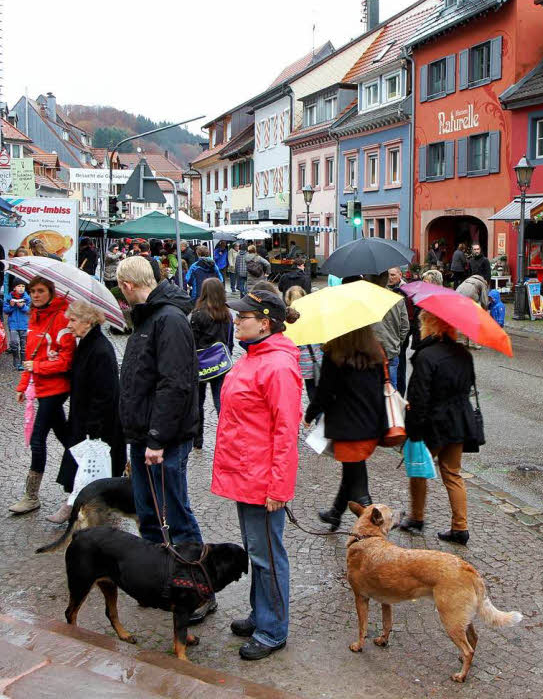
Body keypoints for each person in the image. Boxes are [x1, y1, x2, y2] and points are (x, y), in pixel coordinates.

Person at [212, 290, 302, 661]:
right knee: (257, 552)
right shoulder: (253, 357)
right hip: (246, 473)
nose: (235, 322)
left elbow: (286, 431)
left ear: (264, 322)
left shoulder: (277, 366)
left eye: (242, 318)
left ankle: (272, 629)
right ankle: (260, 613)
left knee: (267, 556)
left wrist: (279, 486)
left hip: (262, 479)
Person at [116, 256, 206, 559]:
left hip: (163, 438)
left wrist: (156, 438)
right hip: (144, 435)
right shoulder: (149, 317)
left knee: (176, 514)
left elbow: (175, 384)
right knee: (149, 514)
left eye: (121, 290)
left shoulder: (169, 319)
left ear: (128, 286)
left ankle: (198, 584)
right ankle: (158, 576)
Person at [399, 310, 477, 545]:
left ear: (430, 324)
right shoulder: (462, 353)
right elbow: (468, 386)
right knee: (453, 474)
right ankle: (460, 528)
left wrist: (412, 430)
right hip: (458, 421)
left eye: (422, 322)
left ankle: (417, 517)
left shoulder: (427, 355)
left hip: (432, 424)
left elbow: (418, 396)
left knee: (418, 469)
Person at [47, 300, 127, 524]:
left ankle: (76, 507)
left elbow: (105, 394)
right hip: (84, 418)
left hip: (98, 424)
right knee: (81, 467)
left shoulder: (100, 349)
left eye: (73, 320)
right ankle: (76, 506)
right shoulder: (86, 344)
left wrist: (94, 429)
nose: (69, 325)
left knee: (90, 469)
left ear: (88, 321)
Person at [304, 324, 386, 531]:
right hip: (370, 424)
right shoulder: (376, 351)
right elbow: (381, 386)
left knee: (359, 485)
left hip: (348, 427)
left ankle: (375, 526)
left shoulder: (336, 354)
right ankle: (335, 513)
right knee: (352, 471)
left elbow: (324, 391)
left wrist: (310, 414)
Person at [9, 276, 75, 515]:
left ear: (50, 293)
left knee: (38, 439)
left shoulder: (60, 319)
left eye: (40, 291)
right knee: (67, 438)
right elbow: (31, 356)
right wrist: (23, 385)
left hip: (56, 389)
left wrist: (37, 369)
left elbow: (67, 362)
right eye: (32, 291)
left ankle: (31, 496)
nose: (35, 295)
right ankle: (88, 475)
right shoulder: (34, 317)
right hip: (42, 388)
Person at [191, 277, 234, 451]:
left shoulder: (197, 314)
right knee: (221, 402)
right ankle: (227, 439)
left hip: (200, 364)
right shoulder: (226, 314)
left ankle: (197, 439)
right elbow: (229, 341)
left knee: (197, 403)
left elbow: (192, 342)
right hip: (220, 363)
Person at [369, 271, 409, 388]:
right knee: (391, 388)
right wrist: (397, 341)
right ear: (386, 279)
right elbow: (405, 326)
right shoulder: (397, 299)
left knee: (372, 389)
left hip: (371, 351)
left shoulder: (366, 300)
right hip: (391, 350)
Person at [284, 286, 322, 401]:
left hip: (300, 363)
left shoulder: (287, 319)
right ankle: (318, 414)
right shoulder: (313, 315)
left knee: (304, 390)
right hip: (316, 359)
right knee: (316, 390)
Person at [388, 267, 418, 397]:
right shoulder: (388, 288)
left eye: (393, 275)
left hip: (401, 333)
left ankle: (399, 393)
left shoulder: (405, 290)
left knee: (400, 364)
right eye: (389, 275)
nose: (390, 277)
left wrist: (401, 339)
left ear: (400, 275)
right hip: (393, 333)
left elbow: (409, 318)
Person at [3, 281, 30, 371]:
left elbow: (30, 310)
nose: (21, 288)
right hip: (13, 324)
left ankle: (23, 362)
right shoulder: (9, 297)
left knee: (24, 345)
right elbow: (5, 310)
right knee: (14, 343)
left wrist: (23, 306)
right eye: (19, 286)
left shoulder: (27, 298)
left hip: (24, 325)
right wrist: (11, 306)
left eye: (23, 286)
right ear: (14, 288)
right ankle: (16, 359)